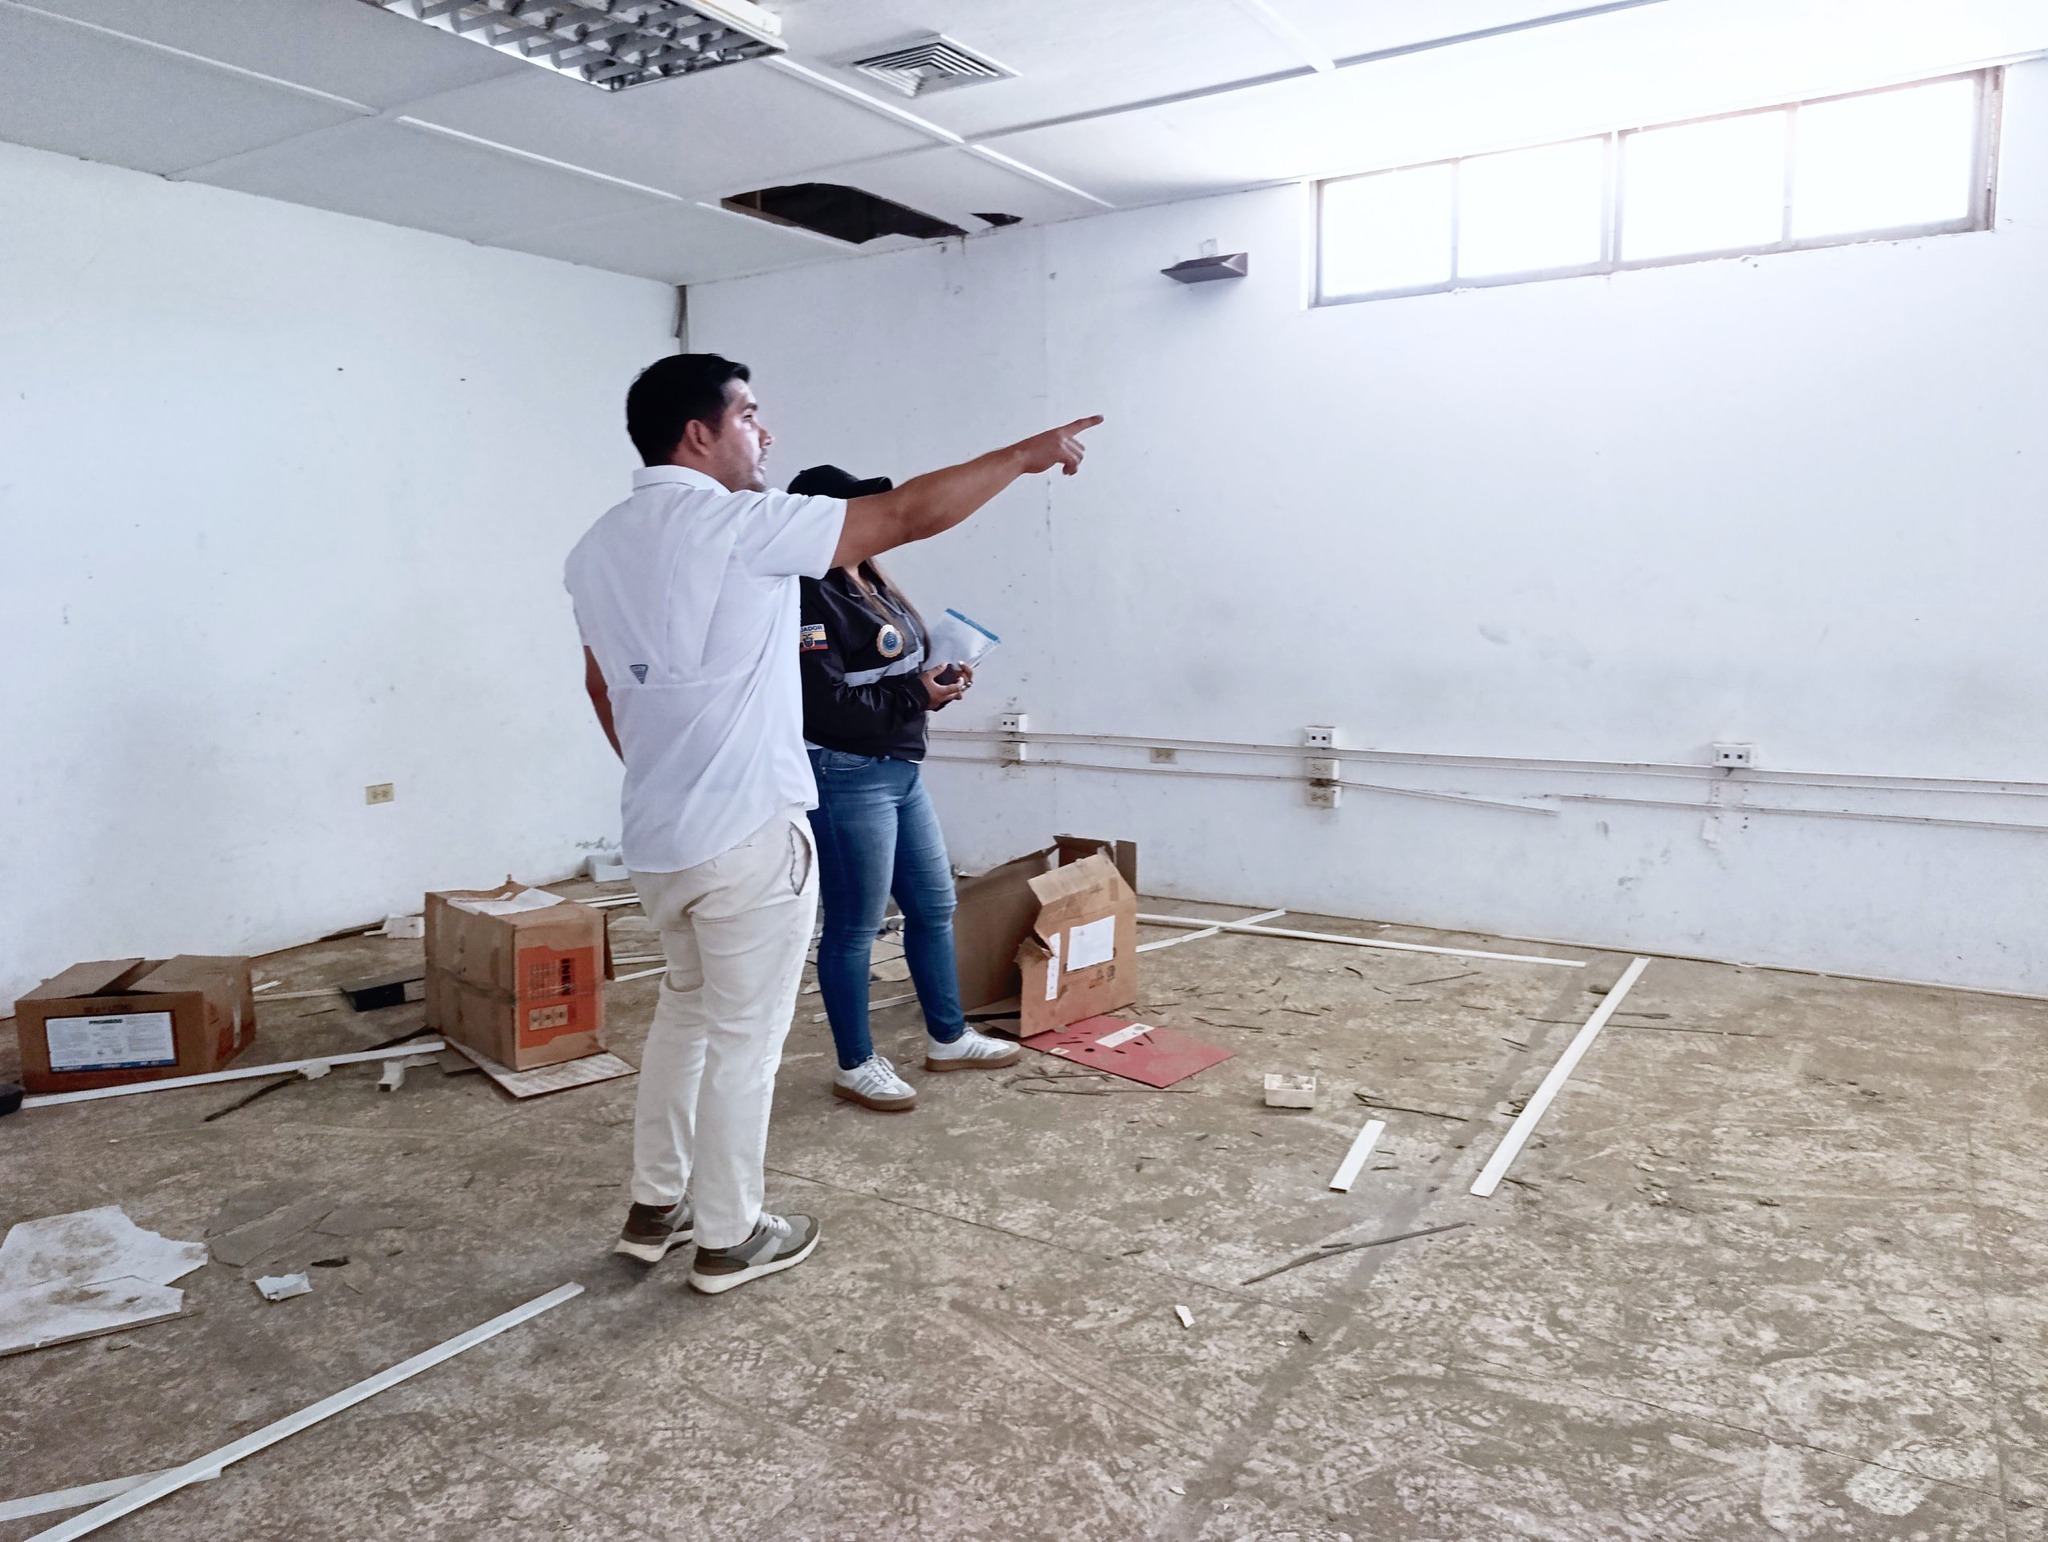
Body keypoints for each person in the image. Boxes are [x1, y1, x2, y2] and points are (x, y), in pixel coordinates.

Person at [563, 353, 1099, 1295]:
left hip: (658, 835)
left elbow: (601, 686)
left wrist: (669, 773)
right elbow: (907, 513)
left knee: (687, 1017)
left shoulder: (596, 547)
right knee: (745, 1041)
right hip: (748, 833)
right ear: (699, 433)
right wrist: (1025, 454)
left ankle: (658, 1205)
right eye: (749, 415)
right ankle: (730, 1235)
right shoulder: (741, 524)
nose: (764, 432)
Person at [785, 465, 1020, 1113]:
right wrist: (918, 694)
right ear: (823, 520)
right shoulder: (806, 597)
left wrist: (937, 681)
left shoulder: (870, 580)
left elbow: (895, 671)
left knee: (934, 905)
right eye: (860, 509)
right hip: (847, 773)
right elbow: (823, 707)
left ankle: (948, 1036)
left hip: (899, 766)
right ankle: (856, 1064)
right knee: (855, 926)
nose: (877, 519)